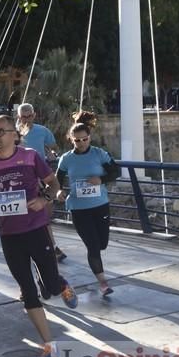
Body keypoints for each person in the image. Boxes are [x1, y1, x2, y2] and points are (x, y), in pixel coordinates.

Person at [0, 115, 78, 357]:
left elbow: (52, 182)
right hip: (10, 236)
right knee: (28, 292)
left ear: (14, 134)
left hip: (35, 229)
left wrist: (45, 199)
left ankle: (59, 283)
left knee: (51, 288)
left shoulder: (30, 156)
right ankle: (49, 347)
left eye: (1, 131)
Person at [57, 116, 120, 295]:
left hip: (100, 205)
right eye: (77, 140)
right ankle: (103, 283)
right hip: (78, 208)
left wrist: (101, 179)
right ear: (71, 139)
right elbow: (57, 181)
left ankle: (99, 273)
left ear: (90, 137)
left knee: (102, 244)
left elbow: (115, 171)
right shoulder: (66, 159)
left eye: (85, 139)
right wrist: (58, 192)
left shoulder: (99, 153)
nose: (82, 143)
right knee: (92, 246)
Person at [16, 103, 67, 263]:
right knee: (27, 216)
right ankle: (47, 247)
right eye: (23, 116)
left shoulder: (42, 131)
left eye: (29, 115)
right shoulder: (12, 132)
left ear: (34, 115)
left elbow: (53, 147)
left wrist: (52, 153)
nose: (27, 119)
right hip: (18, 177)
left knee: (43, 214)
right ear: (18, 117)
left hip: (40, 175)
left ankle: (50, 247)